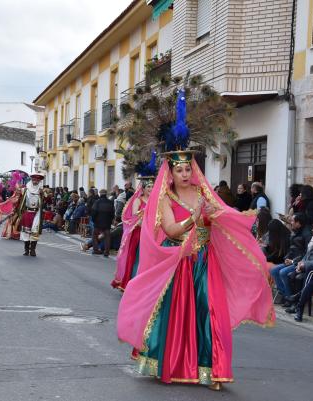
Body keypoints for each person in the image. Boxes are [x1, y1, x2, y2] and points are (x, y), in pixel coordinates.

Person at [117, 91, 273, 390]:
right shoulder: (166, 198)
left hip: (206, 260)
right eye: (180, 169)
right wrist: (195, 217)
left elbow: (222, 215)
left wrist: (228, 217)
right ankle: (176, 364)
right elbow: (173, 231)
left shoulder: (203, 192)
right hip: (181, 263)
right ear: (171, 172)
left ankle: (213, 371)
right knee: (179, 316)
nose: (186, 173)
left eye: (189, 168)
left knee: (210, 314)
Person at [113, 175, 153, 290]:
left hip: (151, 234)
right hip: (139, 233)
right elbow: (135, 216)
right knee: (136, 258)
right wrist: (145, 213)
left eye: (152, 186)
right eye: (148, 186)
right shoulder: (138, 200)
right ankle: (131, 283)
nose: (150, 189)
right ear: (143, 188)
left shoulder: (155, 200)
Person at [283, 220, 313, 310]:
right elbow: (306, 255)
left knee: (298, 277)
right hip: (304, 266)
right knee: (290, 275)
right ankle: (294, 303)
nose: (312, 230)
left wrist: (304, 264)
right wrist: (300, 263)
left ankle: (298, 305)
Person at [270, 213, 312, 306]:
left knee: (283, 272)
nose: (291, 222)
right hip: (292, 260)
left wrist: (293, 261)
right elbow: (291, 249)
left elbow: (307, 253)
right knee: (273, 270)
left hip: (300, 263)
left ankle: (290, 298)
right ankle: (286, 295)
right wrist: (287, 258)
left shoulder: (307, 234)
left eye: (293, 221)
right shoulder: (295, 231)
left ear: (298, 223)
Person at [11, 174, 44, 256]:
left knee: (35, 232)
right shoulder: (25, 189)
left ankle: (33, 250)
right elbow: (18, 199)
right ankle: (26, 250)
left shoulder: (41, 191)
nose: (35, 182)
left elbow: (45, 201)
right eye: (34, 180)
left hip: (36, 214)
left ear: (39, 181)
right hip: (27, 213)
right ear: (31, 180)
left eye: (37, 180)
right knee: (26, 232)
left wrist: (43, 195)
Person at [90, 189, 115, 257]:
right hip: (107, 223)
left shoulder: (97, 202)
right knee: (107, 237)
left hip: (98, 223)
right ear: (106, 194)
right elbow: (112, 213)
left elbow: (93, 213)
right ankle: (106, 252)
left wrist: (94, 220)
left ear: (100, 194)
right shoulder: (110, 202)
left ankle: (96, 250)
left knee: (94, 235)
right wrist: (110, 221)